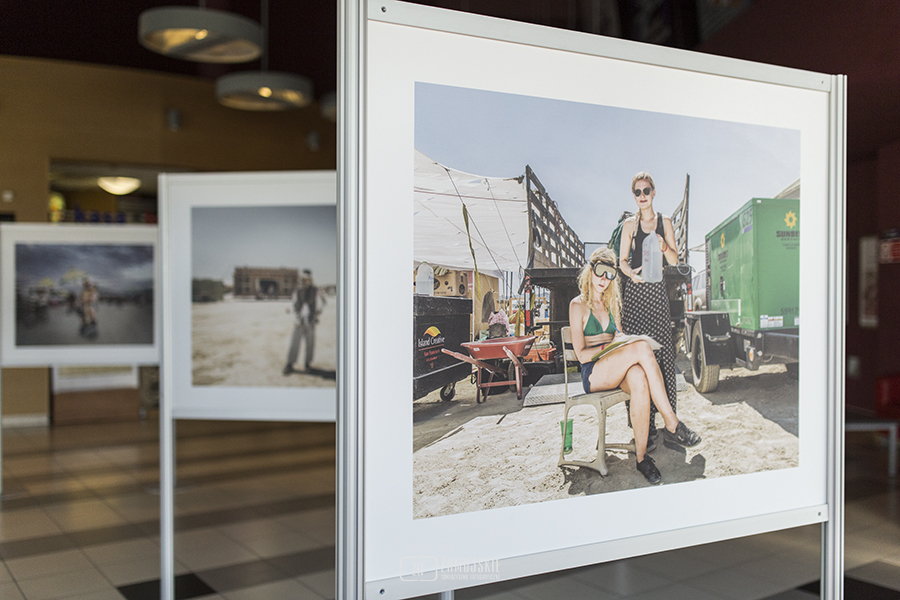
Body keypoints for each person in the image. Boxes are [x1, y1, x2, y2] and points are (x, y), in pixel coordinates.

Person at [569, 248, 700, 484]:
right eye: (600, 272)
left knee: (639, 377)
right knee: (641, 348)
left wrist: (620, 340)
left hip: (615, 367)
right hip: (594, 373)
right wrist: (608, 347)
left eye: (610, 274)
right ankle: (672, 423)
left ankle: (642, 459)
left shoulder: (612, 303)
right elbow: (581, 355)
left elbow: (618, 335)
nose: (604, 279)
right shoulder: (577, 305)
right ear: (590, 270)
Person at [618, 172, 680, 444]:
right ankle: (645, 425)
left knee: (663, 356)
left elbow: (674, 259)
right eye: (637, 192)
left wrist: (664, 246)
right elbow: (621, 261)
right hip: (635, 296)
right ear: (634, 196)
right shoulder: (629, 225)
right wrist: (630, 274)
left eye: (646, 190)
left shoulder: (665, 222)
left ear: (654, 192)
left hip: (656, 295)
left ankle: (670, 425)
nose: (642, 196)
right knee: (637, 359)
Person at [283, 270, 320, 374]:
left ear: (310, 280)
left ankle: (308, 363)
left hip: (310, 320)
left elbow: (320, 303)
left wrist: (316, 314)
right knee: (295, 342)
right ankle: (290, 363)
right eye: (304, 279)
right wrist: (293, 312)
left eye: (307, 279)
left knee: (310, 343)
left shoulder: (315, 290)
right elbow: (293, 303)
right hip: (299, 320)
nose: (306, 281)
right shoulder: (297, 290)